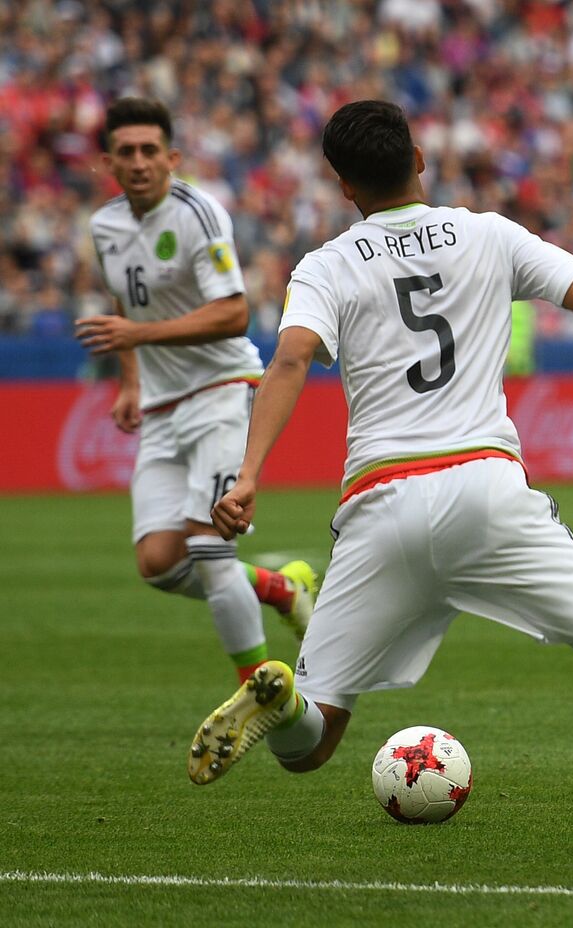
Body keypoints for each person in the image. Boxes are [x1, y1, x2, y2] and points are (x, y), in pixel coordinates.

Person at [187, 100, 573, 894]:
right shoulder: (487, 232)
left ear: (342, 187)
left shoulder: (325, 265)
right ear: (421, 160)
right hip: (488, 491)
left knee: (312, 744)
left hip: (380, 503)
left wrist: (251, 470)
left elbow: (292, 359)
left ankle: (285, 694)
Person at [77, 97, 317, 685]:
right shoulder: (105, 226)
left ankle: (257, 689)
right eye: (127, 152)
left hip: (221, 388)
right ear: (108, 160)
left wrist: (138, 334)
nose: (139, 162)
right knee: (158, 563)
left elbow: (235, 313)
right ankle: (279, 586)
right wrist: (131, 379)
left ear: (171, 157)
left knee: (209, 548)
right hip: (160, 407)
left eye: (150, 151)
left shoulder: (199, 213)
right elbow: (124, 304)